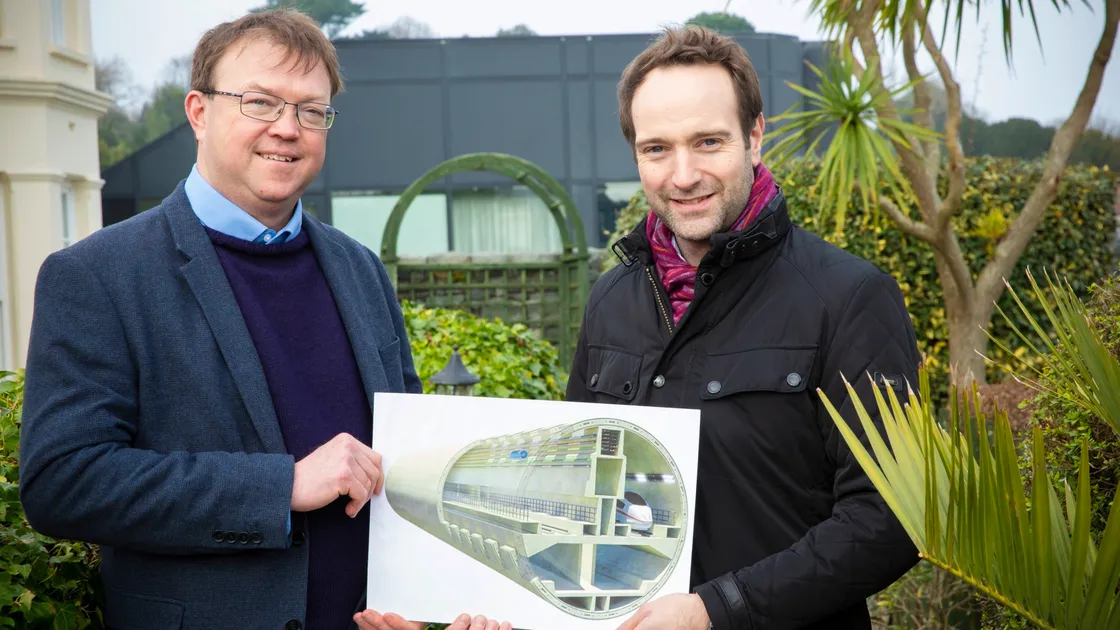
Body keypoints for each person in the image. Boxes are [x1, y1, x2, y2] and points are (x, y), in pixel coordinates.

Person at [18, 9, 507, 630]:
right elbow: (63, 482)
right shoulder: (97, 275)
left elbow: (401, 464)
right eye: (260, 102)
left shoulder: (360, 269)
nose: (288, 128)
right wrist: (282, 486)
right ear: (199, 112)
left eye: (311, 110)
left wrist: (424, 605)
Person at [566, 25, 923, 630]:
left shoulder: (848, 298)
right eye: (657, 149)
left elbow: (892, 520)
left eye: (708, 142)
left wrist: (716, 610)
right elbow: (577, 489)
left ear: (755, 136)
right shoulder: (611, 298)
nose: (683, 175)